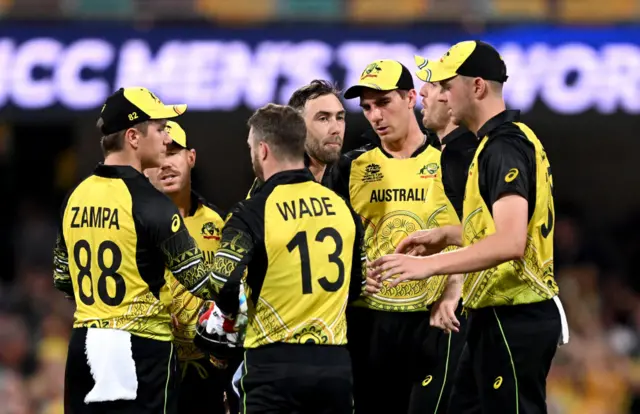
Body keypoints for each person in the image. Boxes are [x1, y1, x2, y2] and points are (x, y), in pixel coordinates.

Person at [369, 40, 569, 414]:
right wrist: (446, 235)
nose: (438, 94)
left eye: (447, 85)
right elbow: (507, 228)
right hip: (496, 314)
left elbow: (510, 242)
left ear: (476, 87)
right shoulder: (501, 142)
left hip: (514, 314)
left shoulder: (501, 148)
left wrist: (428, 266)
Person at [53, 87, 216, 414]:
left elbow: (62, 279)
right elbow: (203, 282)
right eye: (159, 129)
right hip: (141, 351)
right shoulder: (152, 204)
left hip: (85, 344)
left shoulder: (76, 196)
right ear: (133, 136)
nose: (167, 140)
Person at [207, 103, 365, 413]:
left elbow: (222, 283)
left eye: (252, 147)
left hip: (272, 365)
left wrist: (231, 317)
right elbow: (355, 287)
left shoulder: (250, 213)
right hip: (333, 363)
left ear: (262, 150)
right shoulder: (343, 209)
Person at [331, 59, 442, 414]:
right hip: (371, 322)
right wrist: (352, 280)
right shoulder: (349, 167)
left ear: (411, 98)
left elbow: (472, 235)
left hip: (432, 317)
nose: (375, 115)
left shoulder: (449, 161)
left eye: (383, 103)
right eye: (366, 108)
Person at [400, 55, 480, 414]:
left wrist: (454, 290)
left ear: (451, 100)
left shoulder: (461, 155)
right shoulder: (455, 152)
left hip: (460, 311)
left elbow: (487, 232)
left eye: (433, 88)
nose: (423, 95)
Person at [144, 121, 238, 414]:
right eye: (159, 155)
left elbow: (238, 295)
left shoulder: (222, 224)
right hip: (154, 368)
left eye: (173, 152)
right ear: (145, 166)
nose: (166, 164)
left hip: (211, 371)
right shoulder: (134, 226)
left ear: (191, 157)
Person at [246, 79, 346, 197]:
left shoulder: (345, 180)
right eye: (323, 118)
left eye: (339, 118)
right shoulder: (276, 186)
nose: (336, 129)